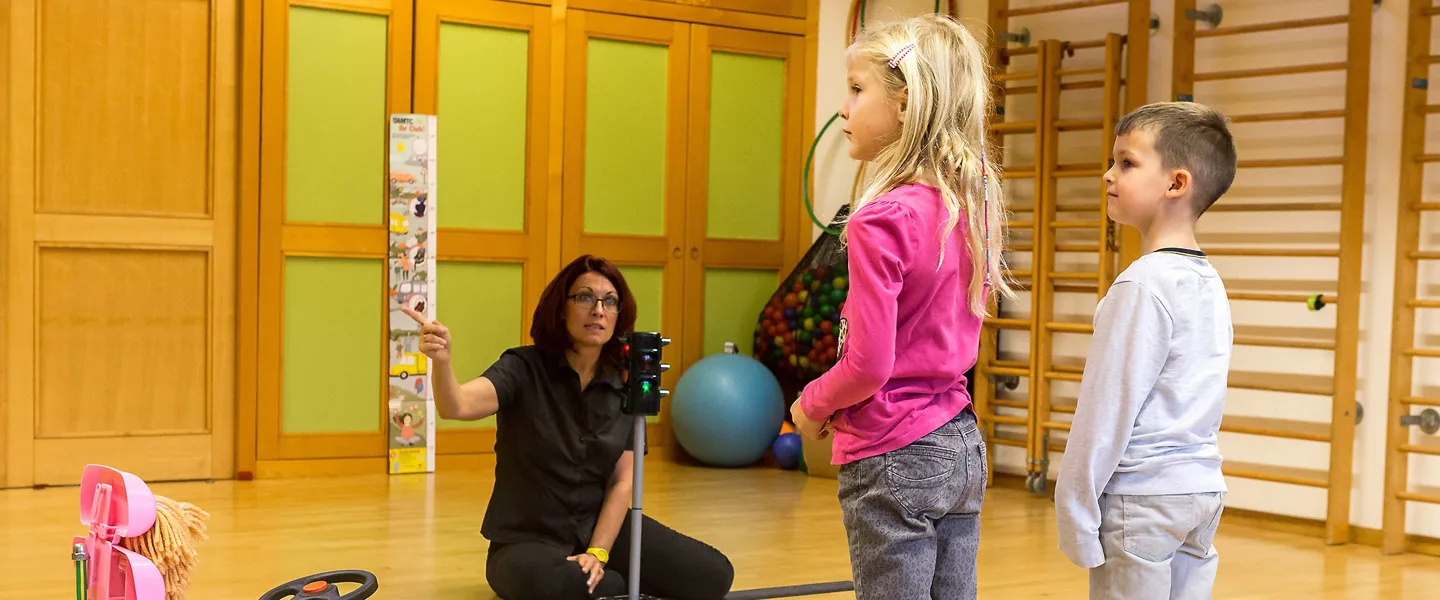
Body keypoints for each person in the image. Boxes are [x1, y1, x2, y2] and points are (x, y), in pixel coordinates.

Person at [789, 14, 1013, 599]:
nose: (843, 108)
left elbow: (868, 365)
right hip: (961, 443)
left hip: (895, 452)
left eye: (858, 91)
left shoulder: (881, 218)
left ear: (908, 105)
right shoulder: (973, 206)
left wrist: (810, 405)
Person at [400, 254, 734, 600]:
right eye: (585, 297)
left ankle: (611, 583)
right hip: (527, 540)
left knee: (713, 575)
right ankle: (617, 587)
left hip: (601, 530)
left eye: (610, 301)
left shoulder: (627, 384)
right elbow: (458, 405)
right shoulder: (523, 367)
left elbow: (623, 482)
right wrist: (442, 362)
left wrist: (598, 552)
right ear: (561, 308)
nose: (598, 310)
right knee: (567, 585)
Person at [1053, 101, 1237, 600]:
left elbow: (1105, 410)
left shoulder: (1141, 286)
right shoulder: (1209, 281)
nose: (1108, 175)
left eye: (1127, 163)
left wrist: (1075, 510)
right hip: (1200, 492)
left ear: (1177, 183)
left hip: (1145, 499)